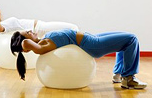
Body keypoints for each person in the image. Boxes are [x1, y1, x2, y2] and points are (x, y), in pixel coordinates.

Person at [10, 29, 147, 89]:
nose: (30, 31)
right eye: (27, 33)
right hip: (93, 45)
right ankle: (129, 78)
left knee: (125, 38)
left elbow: (28, 42)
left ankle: (118, 75)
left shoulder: (43, 40)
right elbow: (27, 44)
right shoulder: (42, 46)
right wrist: (23, 45)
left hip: (92, 37)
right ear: (26, 44)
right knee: (131, 39)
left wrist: (26, 39)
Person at [0, 7, 79, 49]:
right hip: (40, 28)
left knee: (71, 30)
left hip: (41, 26)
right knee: (73, 28)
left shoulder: (2, 25)